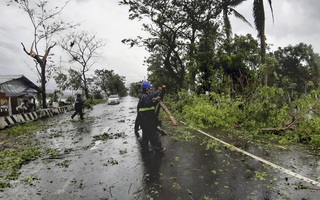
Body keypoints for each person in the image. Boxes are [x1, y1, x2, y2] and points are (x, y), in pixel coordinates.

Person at [138, 81, 166, 155]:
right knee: (153, 135)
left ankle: (144, 150)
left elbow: (152, 103)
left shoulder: (145, 97)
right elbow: (149, 102)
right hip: (147, 120)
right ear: (146, 89)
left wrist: (159, 95)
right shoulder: (143, 96)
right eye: (149, 89)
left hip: (145, 120)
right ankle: (159, 150)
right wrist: (157, 92)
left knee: (145, 136)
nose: (150, 90)